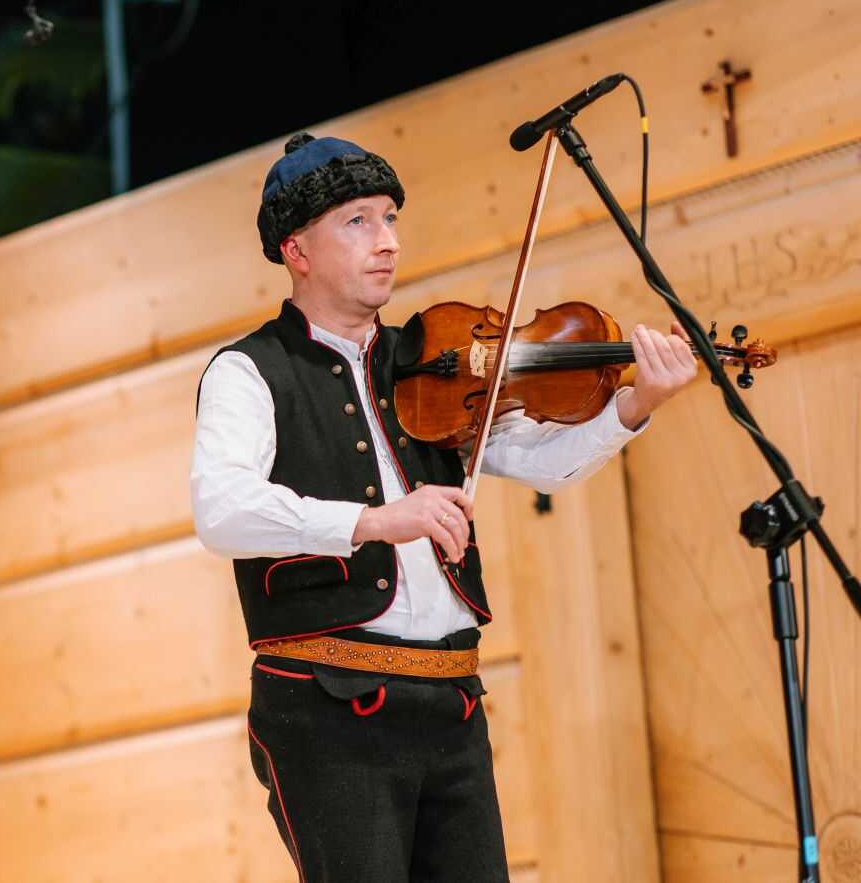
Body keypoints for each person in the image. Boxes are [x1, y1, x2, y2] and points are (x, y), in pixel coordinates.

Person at [189, 133, 697, 882]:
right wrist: (371, 522)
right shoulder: (250, 371)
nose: (387, 241)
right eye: (357, 221)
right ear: (296, 250)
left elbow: (539, 460)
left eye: (390, 217)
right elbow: (222, 510)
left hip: (452, 699)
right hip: (328, 706)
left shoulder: (431, 357)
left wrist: (635, 403)